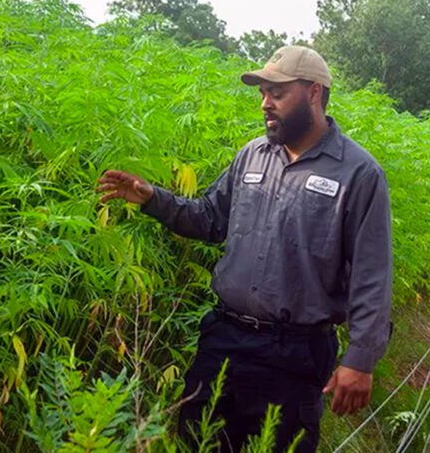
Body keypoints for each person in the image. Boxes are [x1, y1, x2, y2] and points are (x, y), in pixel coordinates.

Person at [96, 45, 393, 452]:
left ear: (314, 92)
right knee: (197, 443)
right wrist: (152, 198)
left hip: (295, 355)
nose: (265, 104)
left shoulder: (358, 173)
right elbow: (208, 219)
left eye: (277, 93)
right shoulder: (251, 156)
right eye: (262, 93)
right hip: (224, 340)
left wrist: (361, 359)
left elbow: (371, 275)